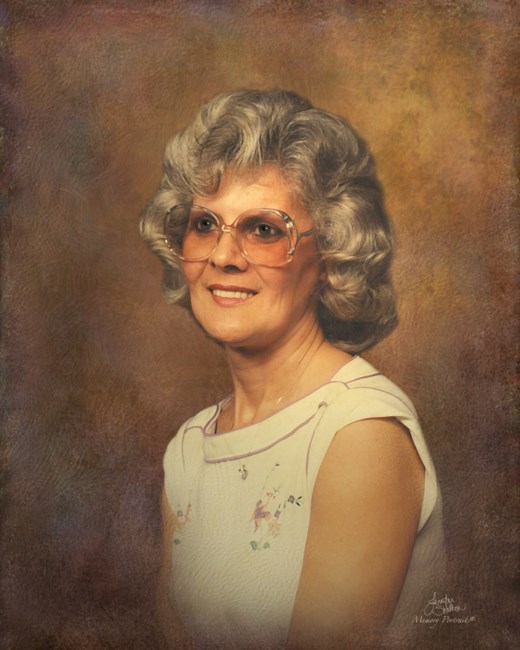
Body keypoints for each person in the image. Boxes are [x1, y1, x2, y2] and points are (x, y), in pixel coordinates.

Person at [140, 89, 445, 649]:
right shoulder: (188, 449)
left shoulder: (359, 432)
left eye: (263, 229)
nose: (223, 256)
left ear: (330, 255)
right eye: (204, 224)